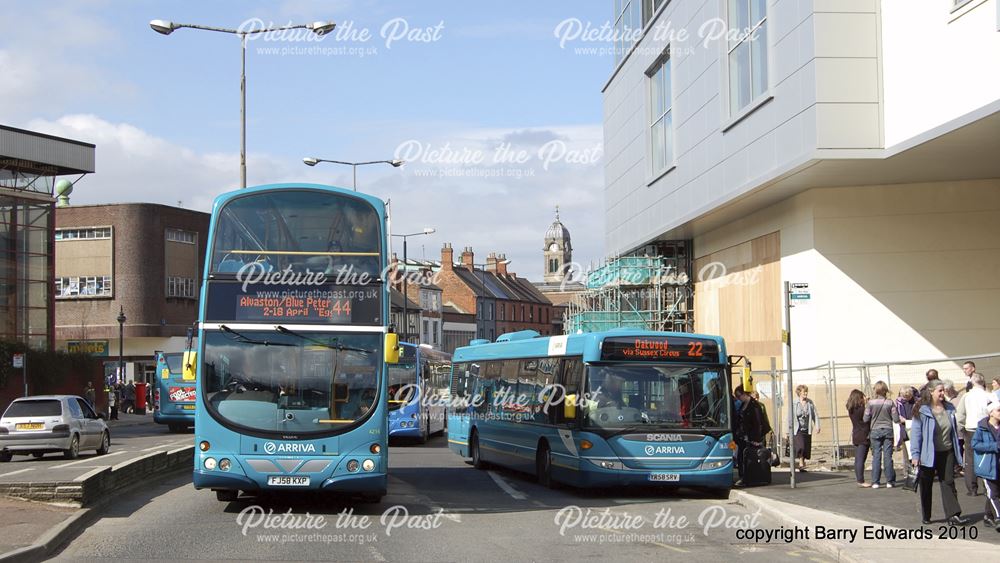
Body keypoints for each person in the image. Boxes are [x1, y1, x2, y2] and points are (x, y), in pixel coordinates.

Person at [911, 379, 968, 525]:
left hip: (946, 451)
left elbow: (954, 429)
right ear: (931, 392)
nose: (943, 393)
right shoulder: (922, 410)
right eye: (940, 391)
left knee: (948, 482)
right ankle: (926, 515)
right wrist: (915, 455)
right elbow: (916, 434)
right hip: (928, 453)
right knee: (926, 484)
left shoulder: (949, 408)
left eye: (943, 390)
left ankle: (953, 515)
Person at [956, 373, 991, 496]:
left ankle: (972, 488)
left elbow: (960, 415)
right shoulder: (989, 395)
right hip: (987, 428)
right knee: (987, 457)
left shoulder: (967, 396)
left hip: (970, 429)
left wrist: (959, 428)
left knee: (970, 458)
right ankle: (988, 487)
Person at [864, 381, 900, 488]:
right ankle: (890, 481)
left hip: (875, 430)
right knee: (888, 456)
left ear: (875, 390)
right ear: (885, 390)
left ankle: (875, 482)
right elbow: (896, 419)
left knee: (876, 456)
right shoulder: (890, 403)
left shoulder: (870, 403)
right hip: (888, 430)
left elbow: (865, 418)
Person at [971, 400, 1000, 530]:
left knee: (995, 493)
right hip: (987, 467)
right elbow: (975, 444)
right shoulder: (982, 428)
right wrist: (994, 446)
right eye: (998, 410)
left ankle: (988, 516)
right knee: (992, 493)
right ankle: (998, 518)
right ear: (991, 413)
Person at [734, 386, 771, 484]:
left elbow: (758, 423)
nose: (738, 398)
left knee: (749, 456)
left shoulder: (754, 405)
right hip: (743, 436)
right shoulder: (743, 404)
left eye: (739, 395)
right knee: (742, 456)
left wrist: (757, 438)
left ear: (745, 394)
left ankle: (748, 476)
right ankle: (744, 476)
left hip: (752, 437)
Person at [793, 385, 820, 472]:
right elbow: (789, 417)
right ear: (799, 393)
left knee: (806, 446)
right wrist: (787, 431)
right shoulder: (794, 403)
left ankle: (802, 462)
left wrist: (817, 426)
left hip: (807, 428)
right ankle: (800, 463)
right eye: (804, 392)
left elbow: (815, 414)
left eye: (806, 391)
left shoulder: (810, 403)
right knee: (801, 446)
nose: (806, 393)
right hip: (797, 428)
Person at [847, 389, 871, 487]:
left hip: (856, 434)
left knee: (857, 459)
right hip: (863, 435)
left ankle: (859, 479)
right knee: (861, 459)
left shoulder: (851, 409)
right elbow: (867, 416)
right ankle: (861, 480)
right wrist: (867, 403)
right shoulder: (861, 410)